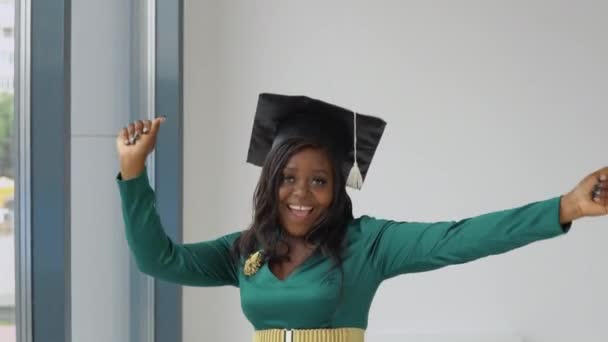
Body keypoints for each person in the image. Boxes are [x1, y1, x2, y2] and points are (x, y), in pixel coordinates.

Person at [115, 93, 607, 342]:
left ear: (337, 188)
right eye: (288, 178)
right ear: (270, 183)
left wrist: (564, 207)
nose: (301, 194)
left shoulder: (366, 244)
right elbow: (159, 260)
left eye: (319, 181)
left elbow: (459, 238)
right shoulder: (247, 250)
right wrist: (133, 173)